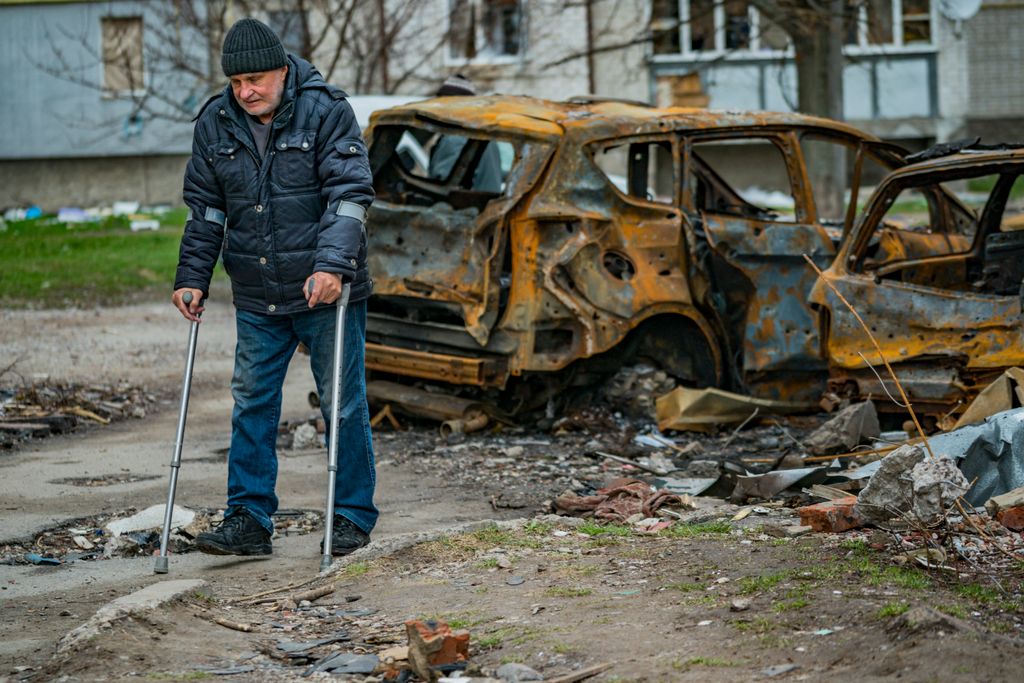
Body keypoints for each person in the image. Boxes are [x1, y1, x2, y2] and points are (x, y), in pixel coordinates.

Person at [172, 18, 377, 557]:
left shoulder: (327, 110)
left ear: (284, 71)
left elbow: (349, 196)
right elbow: (207, 211)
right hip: (258, 291)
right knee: (252, 403)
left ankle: (351, 518)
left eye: (256, 79)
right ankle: (249, 519)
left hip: (325, 291)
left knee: (344, 405)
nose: (246, 92)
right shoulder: (216, 123)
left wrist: (333, 268)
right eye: (237, 83)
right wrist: (192, 278)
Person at [427, 74, 503, 193]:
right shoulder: (485, 137)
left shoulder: (455, 138)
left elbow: (440, 189)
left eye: (441, 103)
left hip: (465, 210)